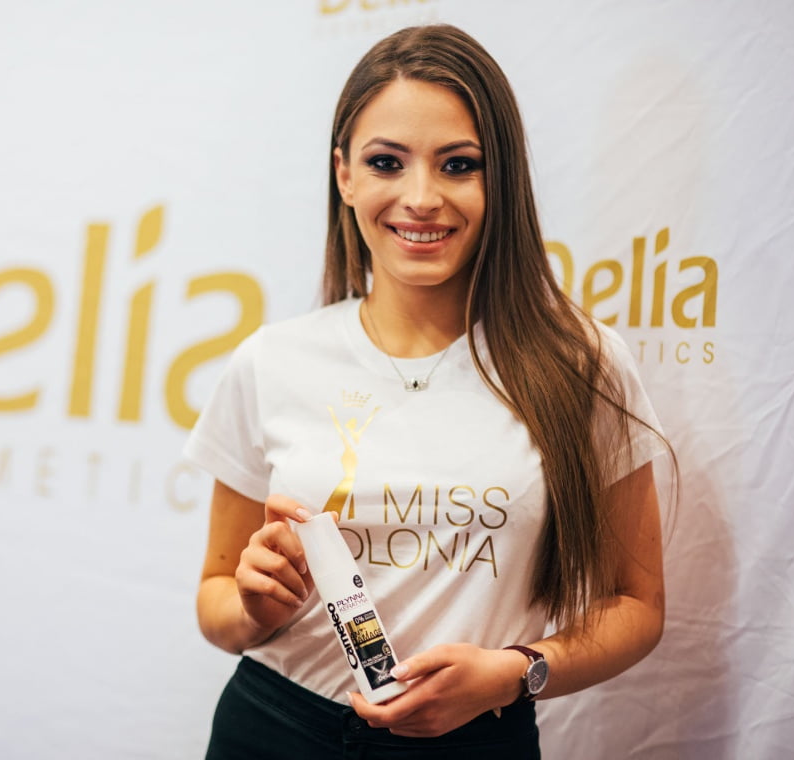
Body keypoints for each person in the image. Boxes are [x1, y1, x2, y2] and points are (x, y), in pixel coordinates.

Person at [184, 23, 671, 759]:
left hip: (477, 742)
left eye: (458, 165)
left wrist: (517, 673)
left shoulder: (582, 364)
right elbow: (216, 602)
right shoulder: (271, 361)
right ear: (345, 175)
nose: (421, 198)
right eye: (387, 162)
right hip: (274, 727)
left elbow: (636, 606)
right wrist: (254, 604)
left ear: (500, 180)